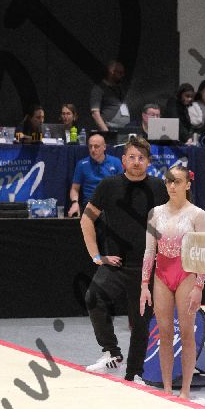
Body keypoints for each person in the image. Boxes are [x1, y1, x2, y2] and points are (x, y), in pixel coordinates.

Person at [80, 136, 167, 382]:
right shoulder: (108, 185)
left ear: (148, 162)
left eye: (141, 158)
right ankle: (111, 352)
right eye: (132, 157)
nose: (136, 162)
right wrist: (96, 256)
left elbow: (171, 220)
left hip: (147, 265)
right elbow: (86, 219)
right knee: (93, 298)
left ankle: (135, 373)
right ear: (123, 160)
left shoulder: (159, 187)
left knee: (140, 321)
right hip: (116, 262)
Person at [140, 163, 205, 399]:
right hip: (162, 274)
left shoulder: (197, 215)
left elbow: (203, 254)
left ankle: (186, 390)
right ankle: (168, 388)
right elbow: (149, 251)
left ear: (187, 185)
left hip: (186, 273)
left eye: (177, 182)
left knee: (187, 332)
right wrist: (144, 285)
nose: (171, 186)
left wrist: (199, 286)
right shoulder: (155, 213)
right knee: (165, 333)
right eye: (169, 181)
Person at [67, 131, 122, 217]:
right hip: (90, 205)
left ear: (104, 147)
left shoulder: (116, 162)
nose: (93, 150)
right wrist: (75, 203)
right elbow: (74, 189)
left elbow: (121, 187)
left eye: (96, 146)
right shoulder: (82, 164)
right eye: (90, 146)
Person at [89, 60, 132, 134]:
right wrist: (106, 132)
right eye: (120, 73)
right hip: (110, 129)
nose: (123, 75)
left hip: (124, 130)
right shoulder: (99, 89)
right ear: (111, 72)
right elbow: (95, 114)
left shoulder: (120, 88)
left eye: (123, 73)